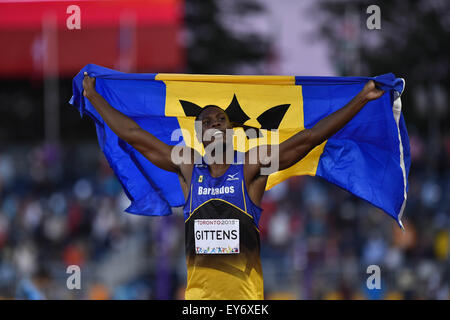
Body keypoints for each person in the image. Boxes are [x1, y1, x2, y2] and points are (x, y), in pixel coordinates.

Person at [82, 71, 384, 299]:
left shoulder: (251, 167)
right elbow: (134, 135)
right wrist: (94, 97)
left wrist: (359, 99)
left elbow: (307, 139)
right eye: (207, 121)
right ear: (199, 134)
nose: (214, 122)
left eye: (221, 119)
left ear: (229, 131)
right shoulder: (187, 166)